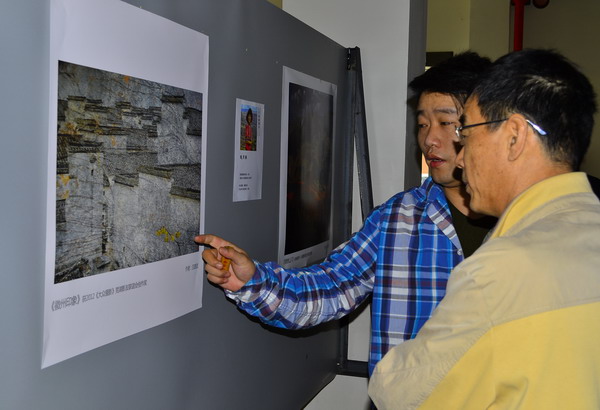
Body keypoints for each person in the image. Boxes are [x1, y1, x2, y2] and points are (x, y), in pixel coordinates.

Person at [195, 52, 495, 375]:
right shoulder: (398, 219)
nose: (429, 139)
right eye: (422, 124)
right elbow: (329, 288)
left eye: (446, 123)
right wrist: (253, 281)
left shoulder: (521, 222)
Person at [369, 49, 600, 409]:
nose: (460, 157)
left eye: (465, 132)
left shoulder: (499, 271)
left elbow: (401, 395)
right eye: (423, 124)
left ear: (514, 136)